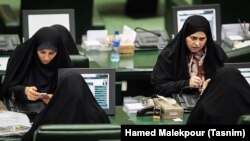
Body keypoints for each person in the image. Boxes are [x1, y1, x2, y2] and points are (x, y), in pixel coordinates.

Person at [0, 26, 73, 120]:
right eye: (42, 52)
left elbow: (70, 92)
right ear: (35, 48)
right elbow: (6, 89)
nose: (46, 58)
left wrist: (57, 97)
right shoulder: (22, 57)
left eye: (51, 53)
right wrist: (24, 91)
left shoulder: (63, 61)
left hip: (55, 114)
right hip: (21, 113)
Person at [151, 15, 228, 97]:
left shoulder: (217, 53)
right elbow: (158, 87)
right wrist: (186, 84)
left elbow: (227, 81)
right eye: (193, 38)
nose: (197, 44)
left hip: (211, 99)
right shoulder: (169, 55)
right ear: (185, 36)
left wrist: (212, 87)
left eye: (202, 39)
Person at [21, 70, 110, 141]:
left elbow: (28, 138)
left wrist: (56, 101)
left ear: (60, 90)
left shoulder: (47, 117)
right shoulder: (100, 116)